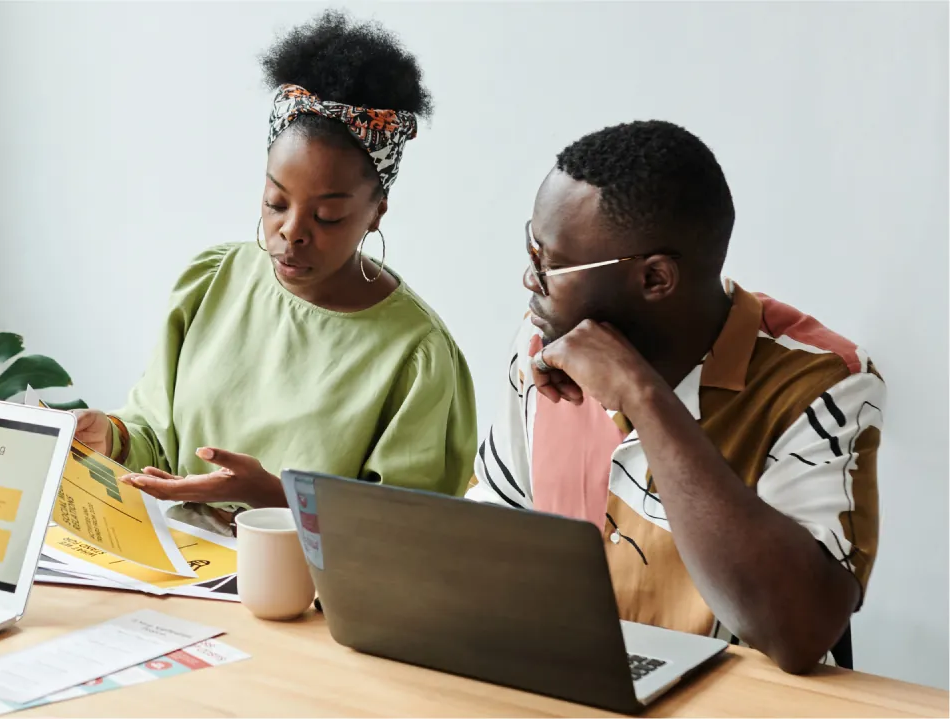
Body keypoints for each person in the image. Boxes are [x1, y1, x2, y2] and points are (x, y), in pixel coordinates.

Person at [468, 120, 881, 674]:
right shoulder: (547, 342)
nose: (530, 277)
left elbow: (798, 633)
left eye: (553, 264)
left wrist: (644, 396)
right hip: (576, 680)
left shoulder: (823, 384)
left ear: (656, 278)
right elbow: (494, 526)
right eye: (533, 250)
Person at [73, 10, 477, 535]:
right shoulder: (213, 281)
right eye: (275, 201)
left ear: (376, 210)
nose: (291, 231)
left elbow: (408, 534)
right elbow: (157, 437)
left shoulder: (415, 354)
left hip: (310, 599)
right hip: (180, 564)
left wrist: (275, 498)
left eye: (327, 216)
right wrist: (110, 435)